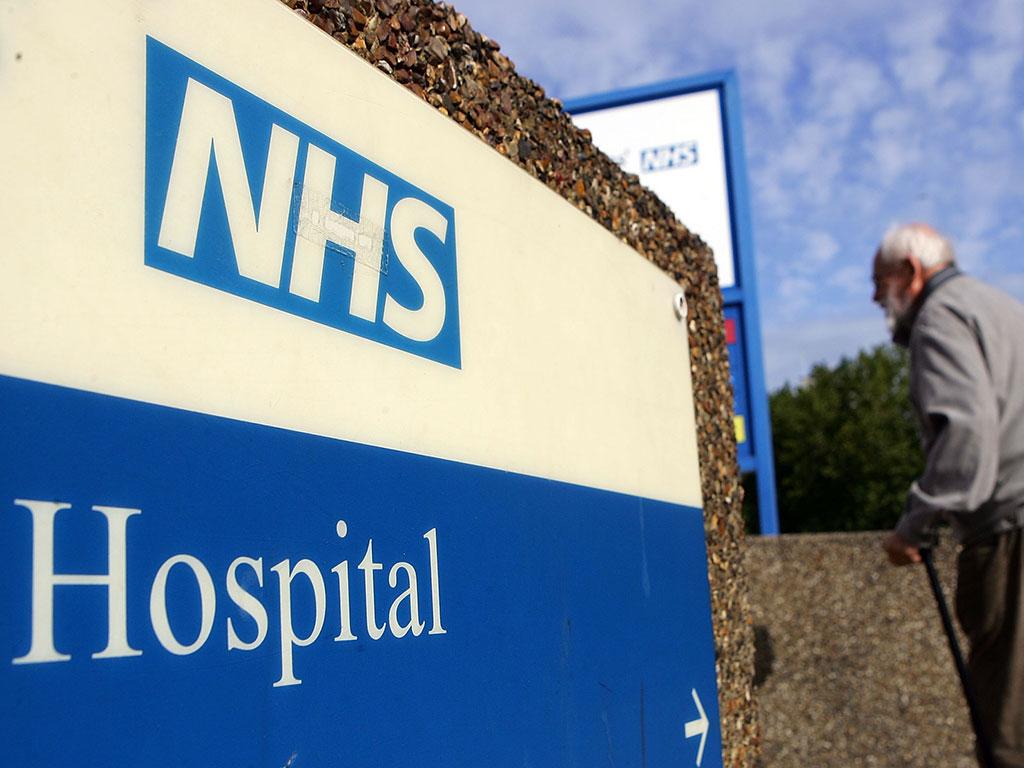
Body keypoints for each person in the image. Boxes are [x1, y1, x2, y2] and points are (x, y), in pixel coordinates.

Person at [873, 222, 1024, 767]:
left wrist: (917, 525)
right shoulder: (1002, 307)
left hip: (1011, 533)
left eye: (879, 280)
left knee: (1008, 726)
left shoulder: (939, 319)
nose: (874, 296)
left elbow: (966, 438)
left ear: (911, 272)